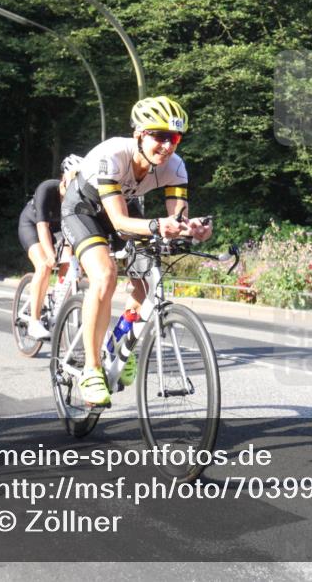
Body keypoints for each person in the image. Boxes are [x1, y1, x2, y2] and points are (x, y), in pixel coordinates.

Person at [61, 96, 212, 406]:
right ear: (140, 134)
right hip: (84, 209)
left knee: (145, 279)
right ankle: (91, 368)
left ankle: (119, 340)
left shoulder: (176, 166)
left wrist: (192, 228)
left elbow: (177, 218)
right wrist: (158, 225)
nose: (168, 146)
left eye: (174, 138)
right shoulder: (113, 155)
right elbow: (117, 221)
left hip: (122, 206)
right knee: (105, 275)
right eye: (160, 137)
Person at [17, 155, 83, 340]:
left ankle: (57, 297)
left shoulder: (81, 197)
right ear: (64, 179)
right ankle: (34, 322)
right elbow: (42, 226)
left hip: (58, 229)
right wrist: (49, 254)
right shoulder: (47, 188)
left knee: (71, 262)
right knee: (44, 264)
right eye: (74, 179)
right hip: (32, 224)